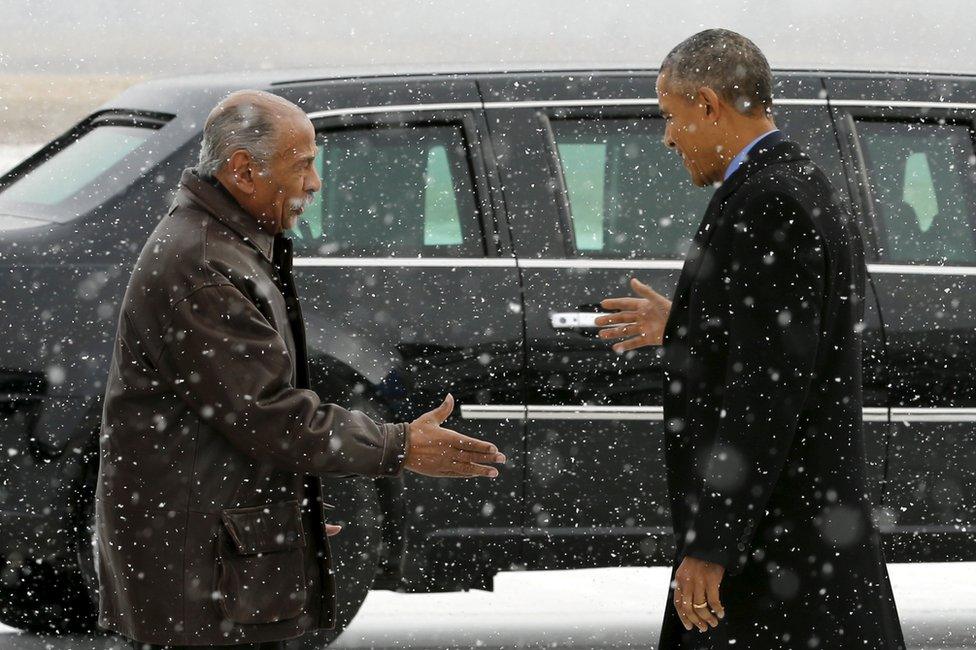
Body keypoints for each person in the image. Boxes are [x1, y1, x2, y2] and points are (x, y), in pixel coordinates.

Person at [96, 90, 506, 650]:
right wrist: (398, 445)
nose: (315, 183)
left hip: (213, 554)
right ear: (243, 170)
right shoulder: (205, 265)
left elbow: (238, 425)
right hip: (197, 569)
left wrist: (289, 514)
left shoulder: (229, 244)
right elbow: (267, 414)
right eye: (303, 165)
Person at [596, 29, 906, 649]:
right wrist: (687, 322)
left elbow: (767, 393)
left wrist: (711, 546)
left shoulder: (772, 202)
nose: (667, 137)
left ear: (709, 104)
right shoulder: (794, 184)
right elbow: (779, 345)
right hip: (795, 540)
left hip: (779, 551)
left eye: (671, 117)